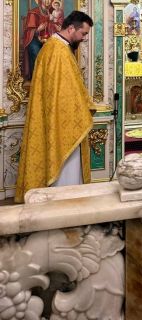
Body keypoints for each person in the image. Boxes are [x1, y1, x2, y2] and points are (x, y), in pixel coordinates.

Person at [15, 11, 94, 203]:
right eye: (83, 33)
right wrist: (84, 107)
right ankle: (66, 207)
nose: (84, 38)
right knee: (66, 178)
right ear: (71, 28)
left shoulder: (53, 46)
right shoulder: (59, 51)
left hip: (57, 118)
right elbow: (66, 93)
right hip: (64, 123)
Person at [22, 0, 60, 81]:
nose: (47, 1)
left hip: (49, 39)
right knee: (35, 51)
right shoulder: (33, 12)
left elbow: (57, 24)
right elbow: (28, 30)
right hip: (34, 39)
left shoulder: (53, 12)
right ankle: (37, 78)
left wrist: (55, 25)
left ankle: (51, 78)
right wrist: (38, 29)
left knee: (57, 51)